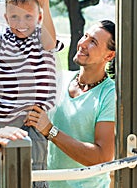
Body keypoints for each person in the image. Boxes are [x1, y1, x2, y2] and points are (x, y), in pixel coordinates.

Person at [0, 0, 63, 187]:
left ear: (39, 17)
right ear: (6, 18)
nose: (21, 22)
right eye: (14, 16)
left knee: (34, 174)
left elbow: (50, 44)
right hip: (1, 119)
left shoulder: (42, 37)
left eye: (28, 16)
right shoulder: (2, 36)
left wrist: (45, 2)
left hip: (34, 120)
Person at [24, 20, 116, 187]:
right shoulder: (60, 79)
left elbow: (102, 157)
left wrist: (50, 131)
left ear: (109, 56)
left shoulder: (110, 94)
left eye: (93, 41)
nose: (82, 43)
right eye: (85, 36)